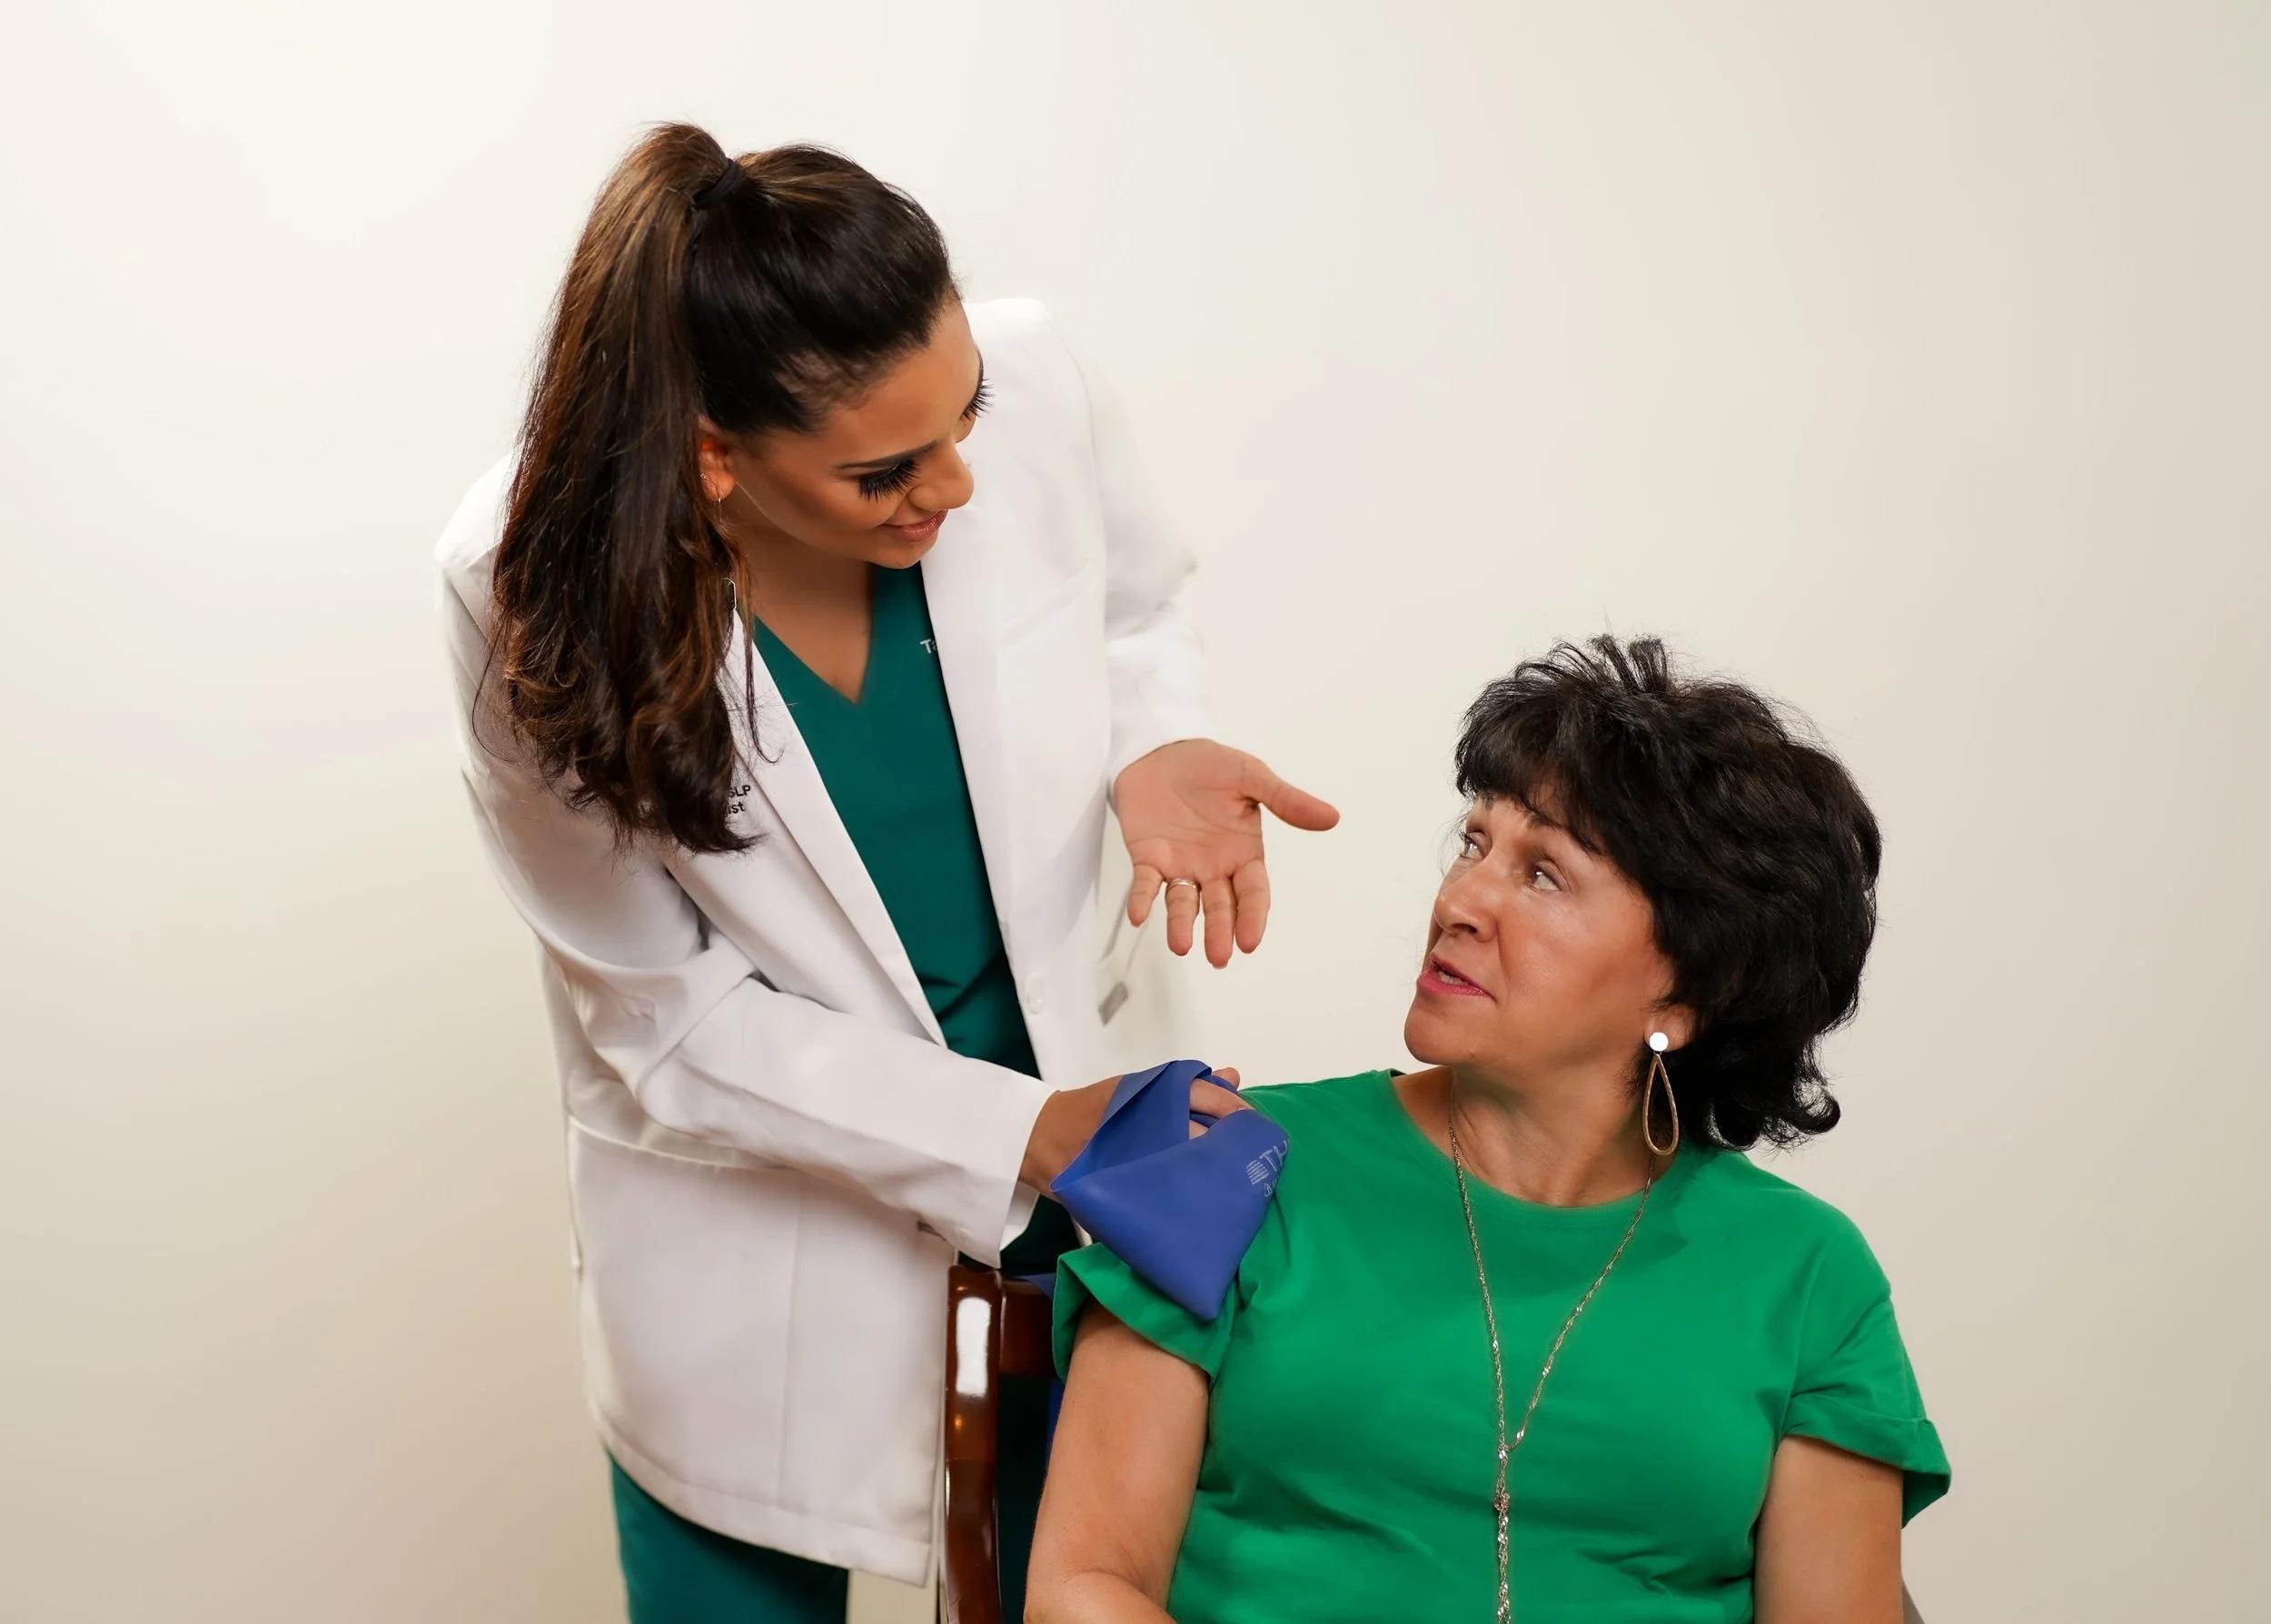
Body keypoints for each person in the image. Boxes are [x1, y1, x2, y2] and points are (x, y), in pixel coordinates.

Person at [434, 123, 1336, 1621]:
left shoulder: (1034, 377)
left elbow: (1130, 604)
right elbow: (669, 1019)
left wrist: (1152, 743)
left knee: (1092, 1570)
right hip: (760, 1226)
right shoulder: (522, 579)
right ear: (717, 457)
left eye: (965, 415)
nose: (960, 484)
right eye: (885, 472)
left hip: (1095, 1160)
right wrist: (1022, 1129)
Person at [1032, 638, 1949, 1624]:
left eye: (1544, 873)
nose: (1460, 902)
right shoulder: (1230, 1163)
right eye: (1474, 845)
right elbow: (1084, 1588)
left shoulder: (1805, 1276)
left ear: (1690, 987)